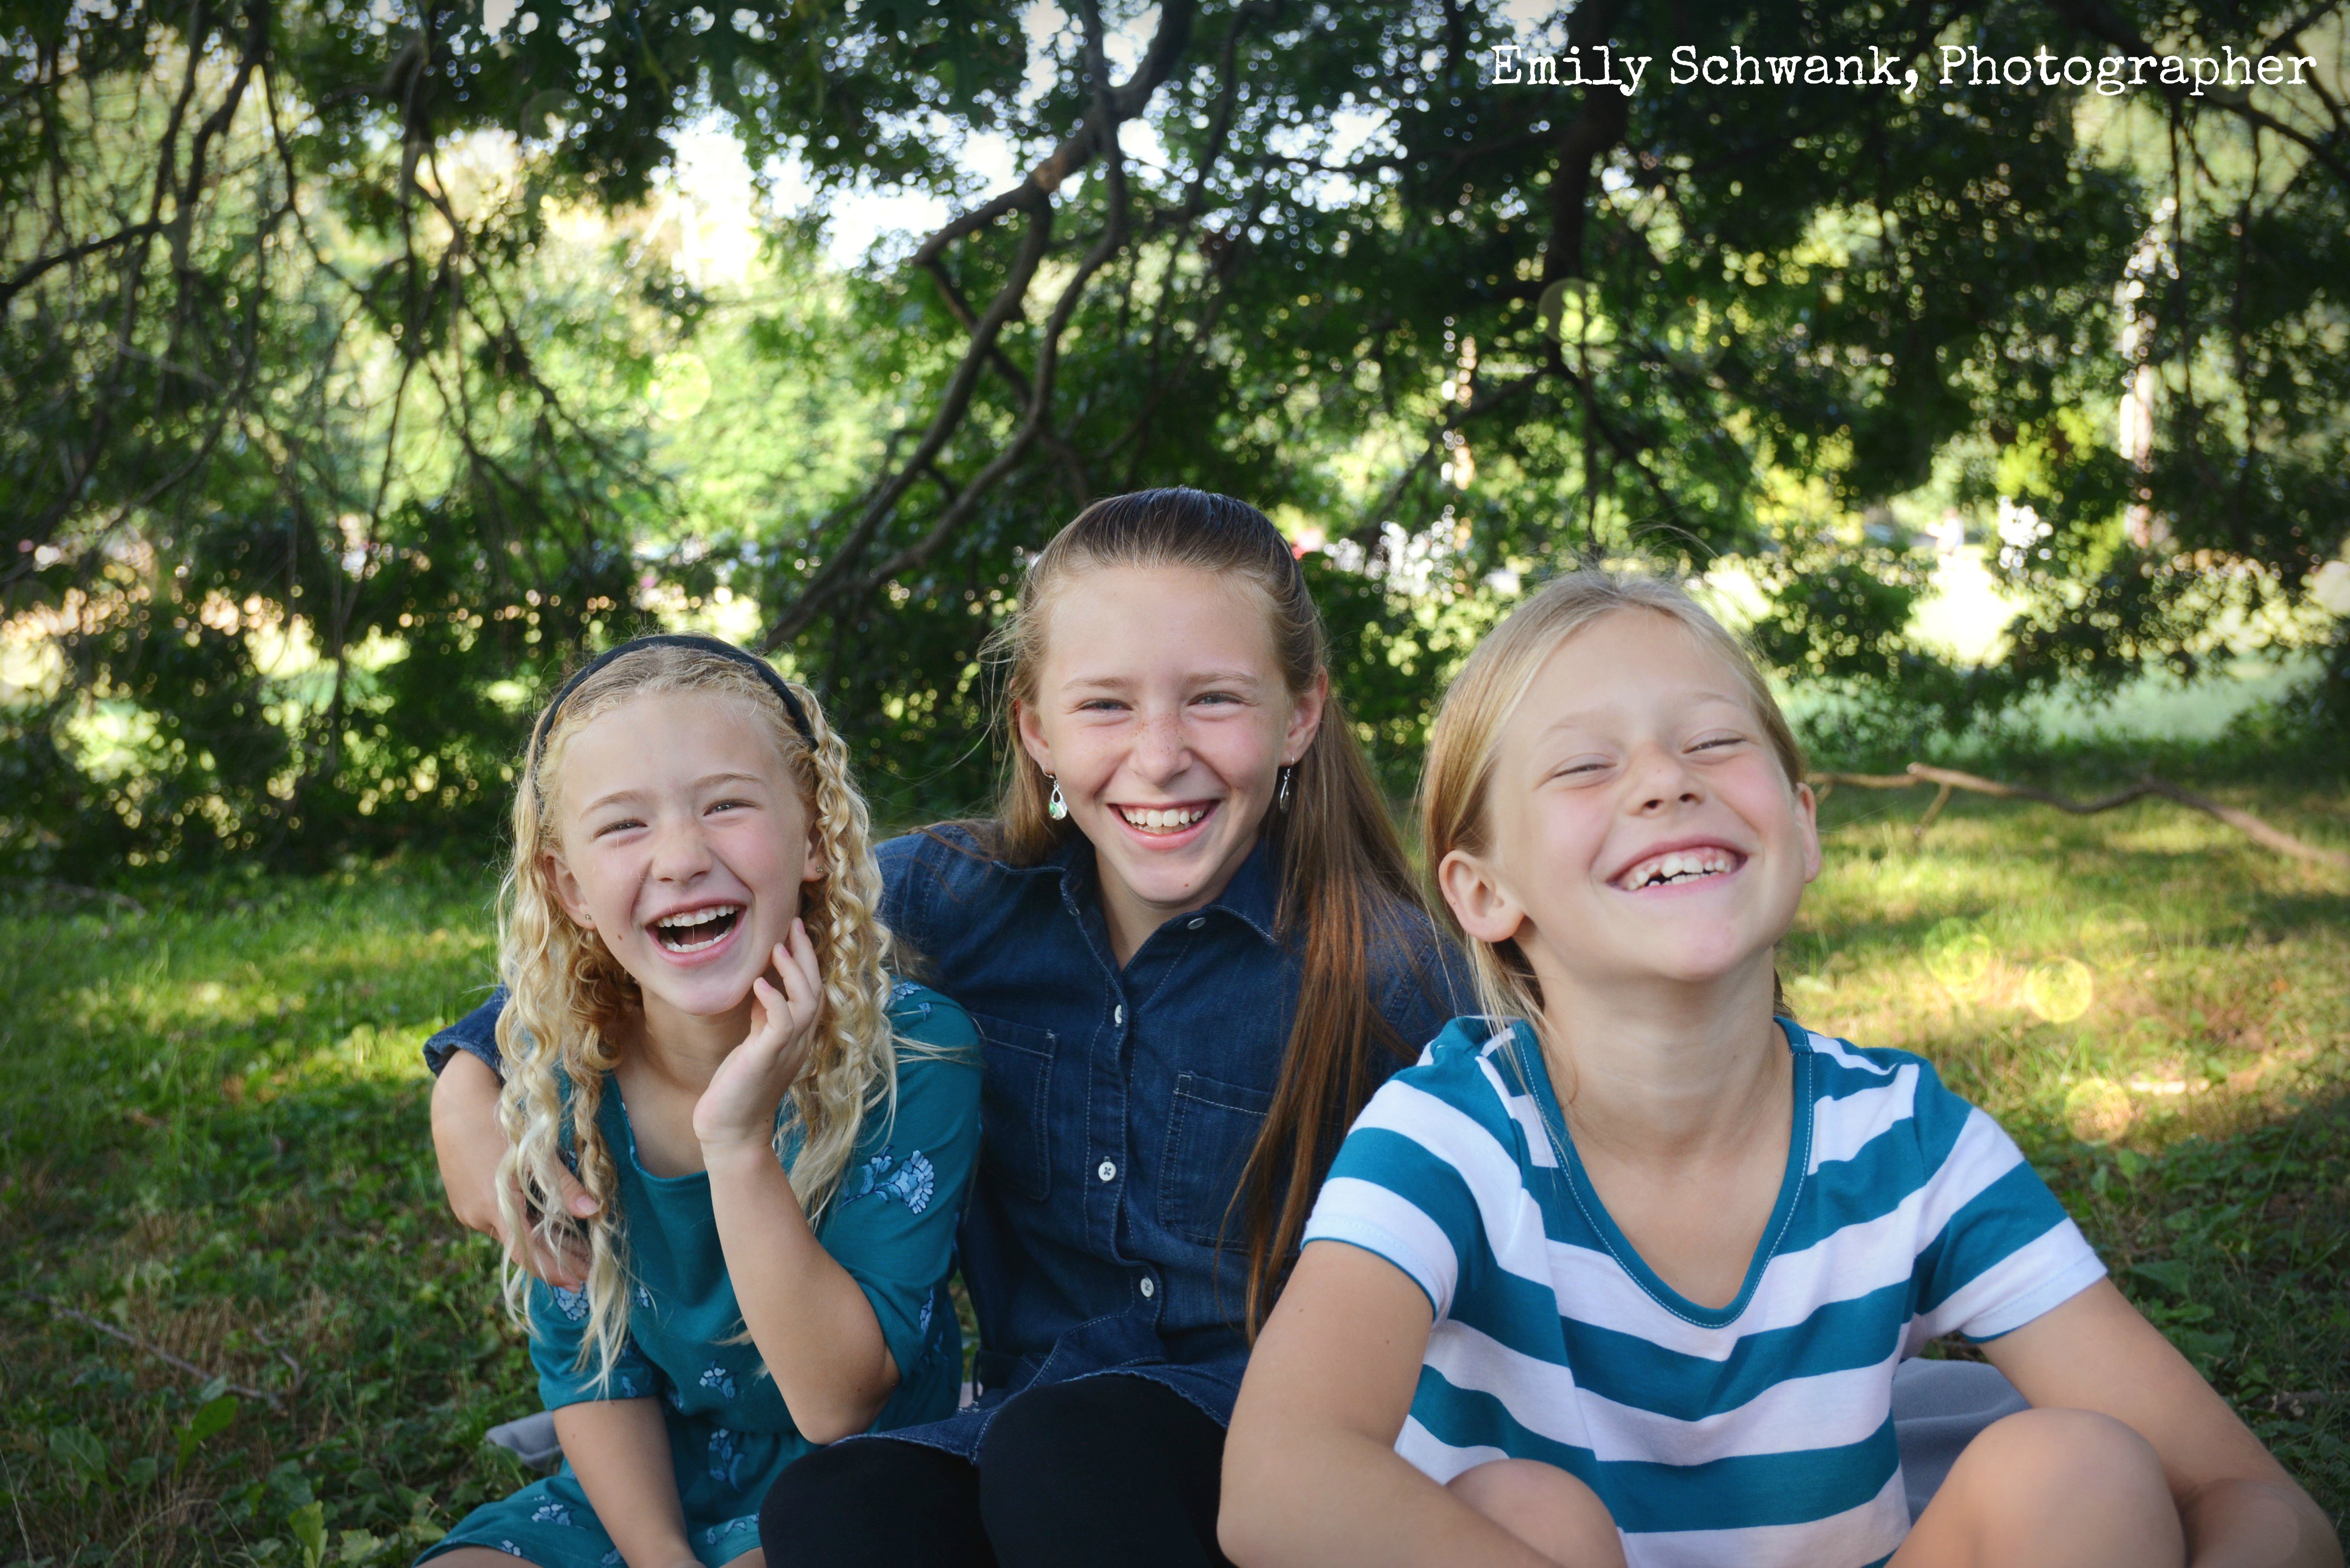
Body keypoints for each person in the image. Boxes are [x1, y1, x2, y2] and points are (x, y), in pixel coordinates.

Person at [423, 491, 1469, 1568]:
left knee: (1071, 1456)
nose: (1159, 757)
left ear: (1299, 715)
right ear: (1035, 730)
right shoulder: (954, 901)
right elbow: (682, 934)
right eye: (1105, 706)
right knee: (838, 1509)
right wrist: (465, 1078)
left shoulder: (1384, 971)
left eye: (1213, 700)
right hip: (1020, 1424)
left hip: (1255, 1429)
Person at [1218, 573, 2342, 1568]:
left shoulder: (1905, 1144)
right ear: (1480, 893)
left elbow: (2251, 1498)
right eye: (1583, 764)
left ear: (1801, 830)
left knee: (2077, 1473)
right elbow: (1277, 1484)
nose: (1663, 781)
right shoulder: (1449, 1139)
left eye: (1711, 743)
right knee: (1528, 1509)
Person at [421, 635, 981, 1568]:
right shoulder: (557, 1085)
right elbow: (594, 1374)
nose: (681, 857)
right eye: (623, 825)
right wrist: (660, 1558)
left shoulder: (916, 1057)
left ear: (813, 833)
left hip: (852, 1486)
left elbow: (841, 1403)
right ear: (570, 888)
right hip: (646, 1487)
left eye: (726, 805)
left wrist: (737, 1139)